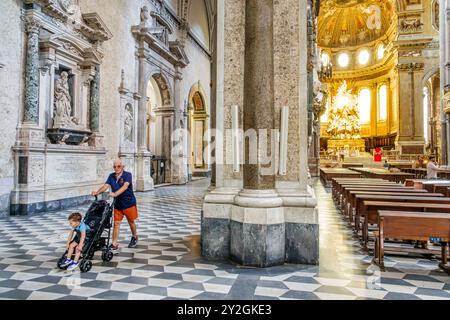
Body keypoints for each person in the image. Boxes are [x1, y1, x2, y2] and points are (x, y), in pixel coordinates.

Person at [92, 160, 139, 252]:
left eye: (118, 166)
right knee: (116, 223)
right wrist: (97, 192)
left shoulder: (127, 175)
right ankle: (114, 244)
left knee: (131, 221)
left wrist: (115, 194)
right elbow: (105, 186)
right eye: (115, 167)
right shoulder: (111, 176)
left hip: (128, 203)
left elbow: (125, 186)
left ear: (122, 167)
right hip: (118, 204)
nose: (116, 168)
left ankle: (134, 236)